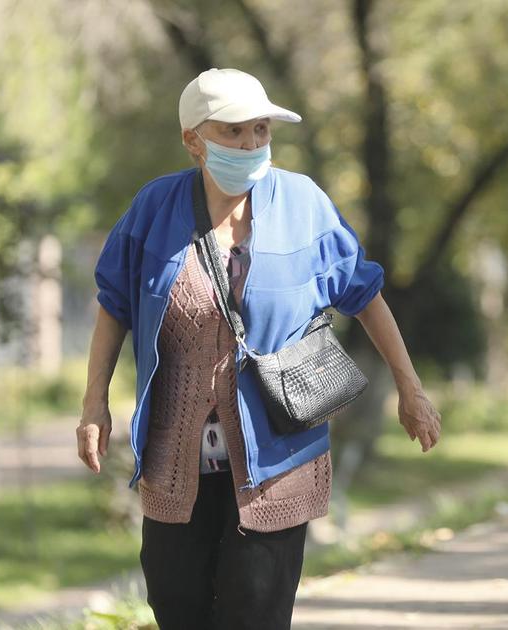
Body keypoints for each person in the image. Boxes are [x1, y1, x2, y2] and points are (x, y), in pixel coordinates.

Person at [76, 68, 442, 629]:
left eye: (261, 131)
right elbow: (114, 304)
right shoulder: (155, 209)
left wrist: (410, 389)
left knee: (256, 612)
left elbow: (365, 294)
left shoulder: (304, 204)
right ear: (192, 141)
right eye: (233, 132)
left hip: (277, 456)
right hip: (176, 458)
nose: (250, 145)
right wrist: (93, 403)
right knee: (177, 606)